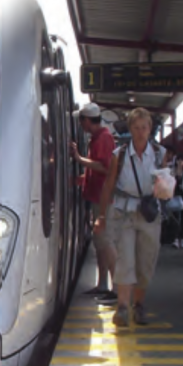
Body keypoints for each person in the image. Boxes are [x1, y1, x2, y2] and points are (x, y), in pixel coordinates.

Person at [95, 108, 165, 326]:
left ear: (150, 128)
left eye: (144, 127)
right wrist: (101, 216)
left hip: (149, 213)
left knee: (145, 262)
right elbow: (108, 185)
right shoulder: (120, 154)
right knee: (125, 259)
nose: (141, 132)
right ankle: (123, 307)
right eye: (136, 127)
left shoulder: (159, 153)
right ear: (131, 129)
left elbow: (164, 184)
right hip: (124, 211)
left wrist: (165, 187)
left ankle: (139, 305)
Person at [70, 103, 118, 304]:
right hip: (96, 195)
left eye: (81, 121)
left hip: (103, 198)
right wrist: (83, 178)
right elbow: (97, 168)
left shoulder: (104, 138)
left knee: (105, 243)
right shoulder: (98, 138)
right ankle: (102, 285)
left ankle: (117, 289)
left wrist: (79, 159)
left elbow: (106, 168)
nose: (80, 125)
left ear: (87, 120)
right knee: (100, 244)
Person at [172, 154, 183, 249]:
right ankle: (176, 239)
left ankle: (182, 239)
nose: (180, 162)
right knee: (175, 218)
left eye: (182, 160)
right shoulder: (172, 172)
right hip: (174, 196)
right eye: (179, 160)